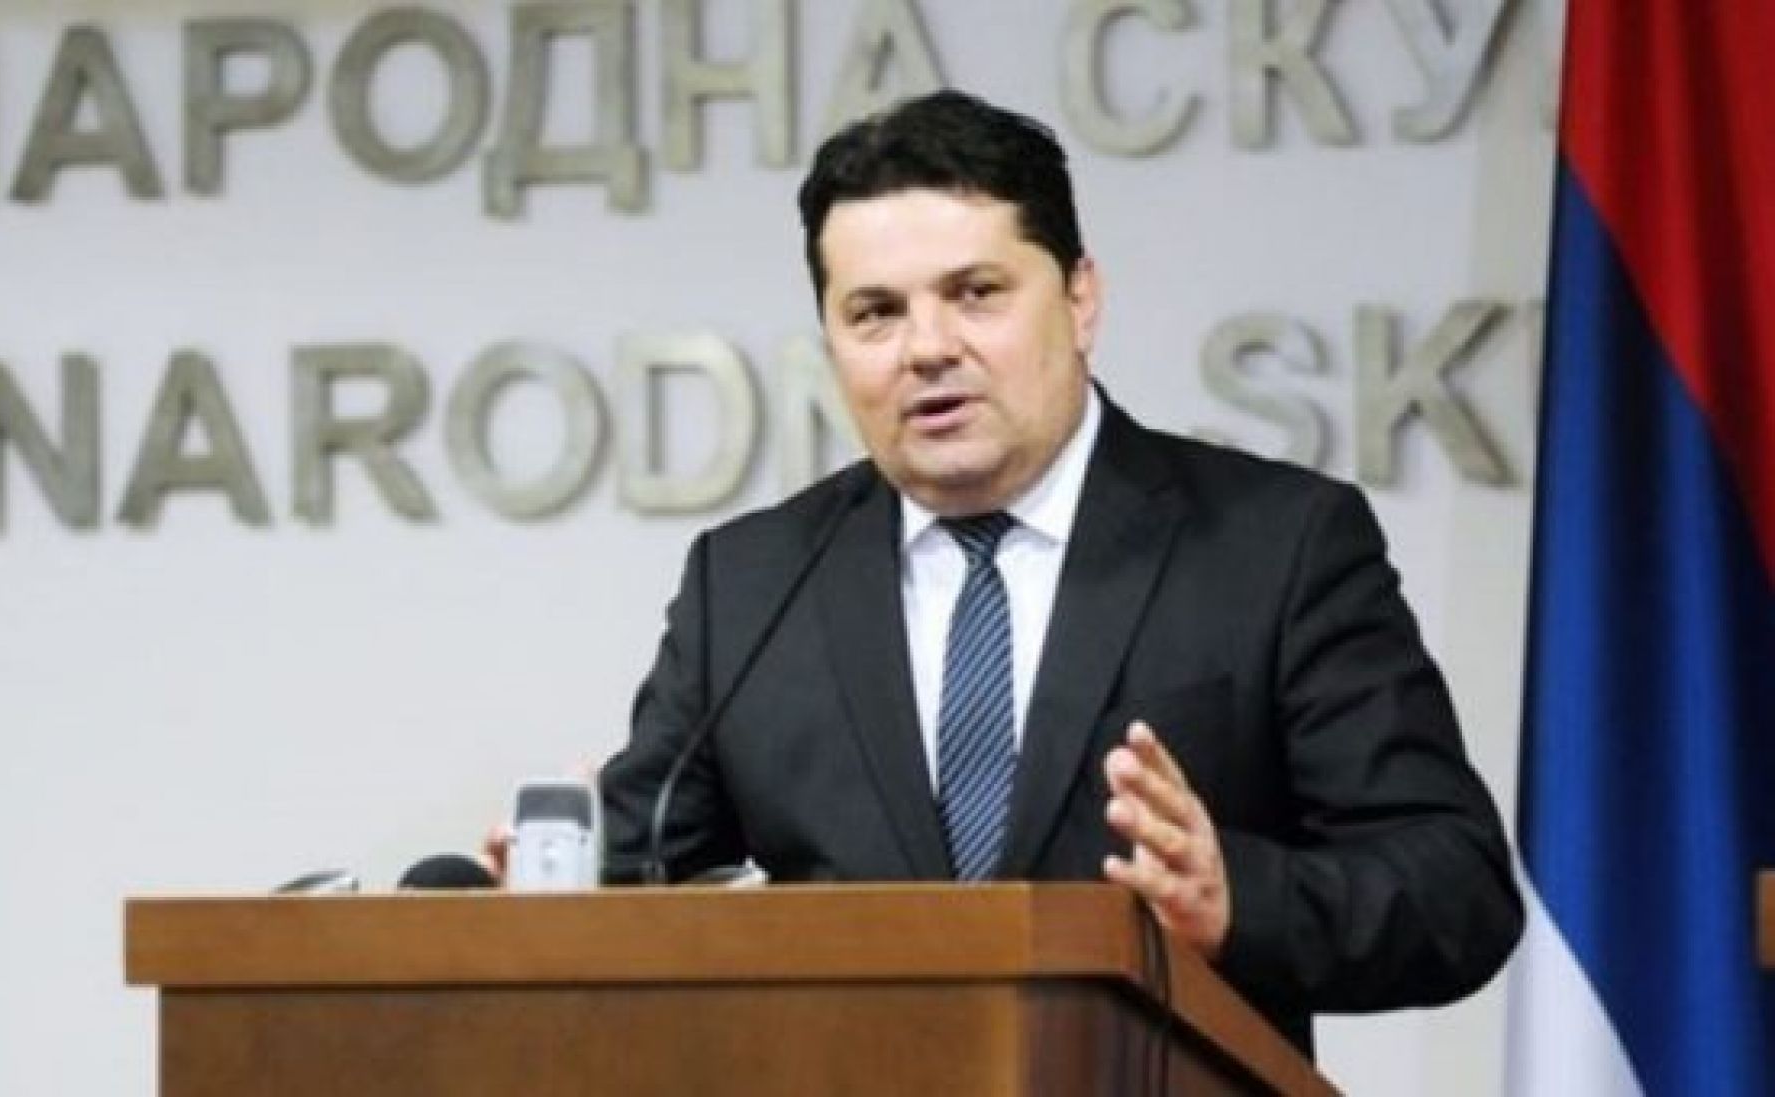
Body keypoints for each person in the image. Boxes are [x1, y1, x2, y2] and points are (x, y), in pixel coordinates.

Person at [534, 89, 1523, 1054]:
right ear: (831, 341)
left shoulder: (1274, 544)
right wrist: (544, 895)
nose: (928, 348)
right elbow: (633, 879)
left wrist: (1237, 899)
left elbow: (1456, 885)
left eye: (976, 293)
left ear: (1081, 298)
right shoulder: (750, 583)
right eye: (876, 312)